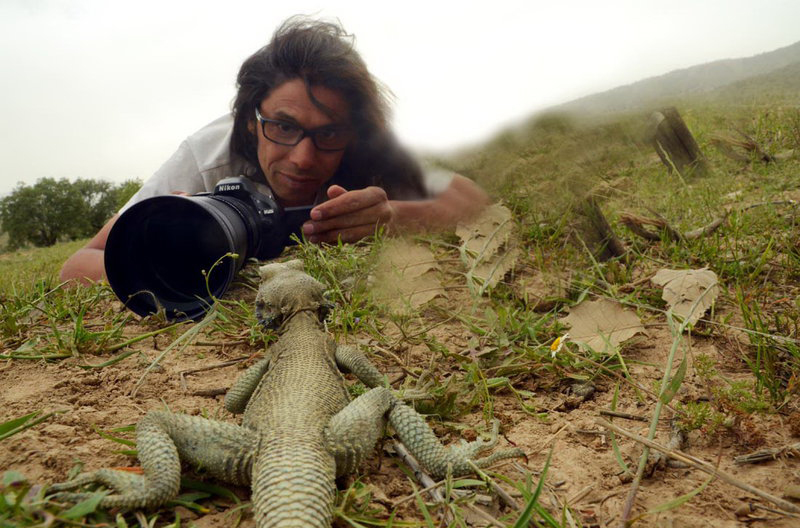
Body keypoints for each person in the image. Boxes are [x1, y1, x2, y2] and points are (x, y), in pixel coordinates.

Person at [59, 18, 489, 284]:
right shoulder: (207, 157)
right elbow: (79, 264)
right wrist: (171, 254)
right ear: (251, 119)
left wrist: (392, 217)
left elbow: (470, 198)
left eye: (329, 133)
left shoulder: (368, 146)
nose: (303, 158)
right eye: (283, 126)